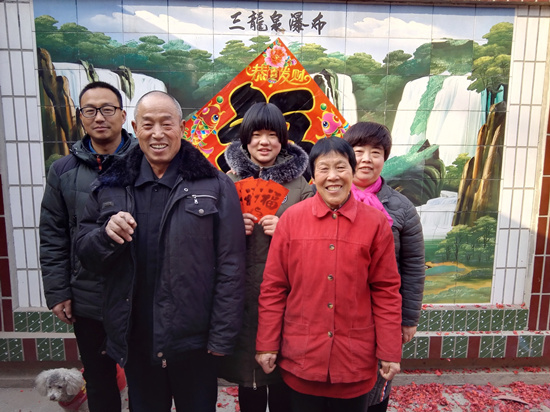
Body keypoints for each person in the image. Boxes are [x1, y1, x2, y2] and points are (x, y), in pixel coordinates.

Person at [75, 90, 246, 412]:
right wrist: (105, 236)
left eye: (166, 124)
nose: (157, 134)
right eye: (148, 124)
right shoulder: (111, 184)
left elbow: (231, 266)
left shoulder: (215, 184)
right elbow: (84, 253)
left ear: (182, 127)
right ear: (135, 128)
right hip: (136, 337)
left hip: (194, 341)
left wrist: (222, 336)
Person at [255, 137, 403, 412]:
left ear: (352, 171)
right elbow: (274, 287)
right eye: (324, 168)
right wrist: (267, 344)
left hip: (354, 361)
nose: (333, 176)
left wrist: (389, 350)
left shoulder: (375, 223)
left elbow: (385, 290)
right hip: (302, 358)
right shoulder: (291, 220)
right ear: (313, 175)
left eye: (341, 167)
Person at [39, 81, 136, 412]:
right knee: (98, 379)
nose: (99, 117)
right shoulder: (63, 171)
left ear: (122, 115)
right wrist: (58, 291)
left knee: (143, 377)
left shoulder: (145, 163)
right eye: (90, 110)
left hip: (137, 294)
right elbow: (53, 233)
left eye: (107, 109)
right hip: (87, 296)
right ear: (80, 116)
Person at [219, 102, 313, 412]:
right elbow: (207, 237)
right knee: (250, 382)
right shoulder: (226, 183)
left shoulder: (301, 187)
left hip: (286, 298)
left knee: (284, 380)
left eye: (272, 135)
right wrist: (232, 227)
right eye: (256, 134)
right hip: (240, 296)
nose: (264, 142)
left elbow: (317, 240)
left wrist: (288, 229)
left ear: (283, 140)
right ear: (245, 139)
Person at [343, 121, 425, 412]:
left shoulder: (401, 208)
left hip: (382, 314)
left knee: (377, 386)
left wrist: (409, 318)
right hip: (337, 310)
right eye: (358, 151)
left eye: (375, 152)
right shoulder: (327, 199)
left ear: (384, 158)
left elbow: (413, 266)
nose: (366, 159)